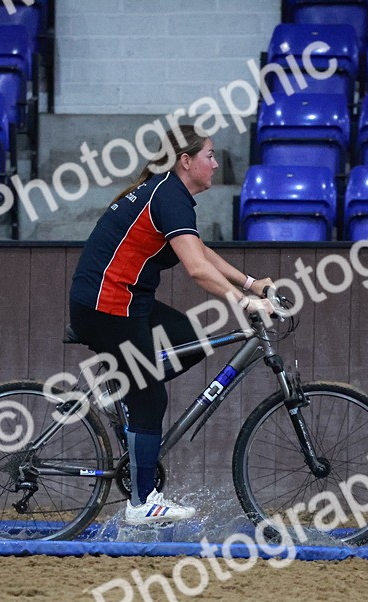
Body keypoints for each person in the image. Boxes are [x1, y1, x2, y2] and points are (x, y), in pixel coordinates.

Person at [68, 124, 274, 525]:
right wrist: (243, 302)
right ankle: (142, 503)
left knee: (192, 340)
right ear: (186, 161)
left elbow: (198, 250)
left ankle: (125, 387)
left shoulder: (169, 194)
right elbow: (196, 270)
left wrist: (249, 282)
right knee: (151, 397)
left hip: (129, 302)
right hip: (106, 306)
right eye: (209, 156)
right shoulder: (168, 194)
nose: (216, 164)